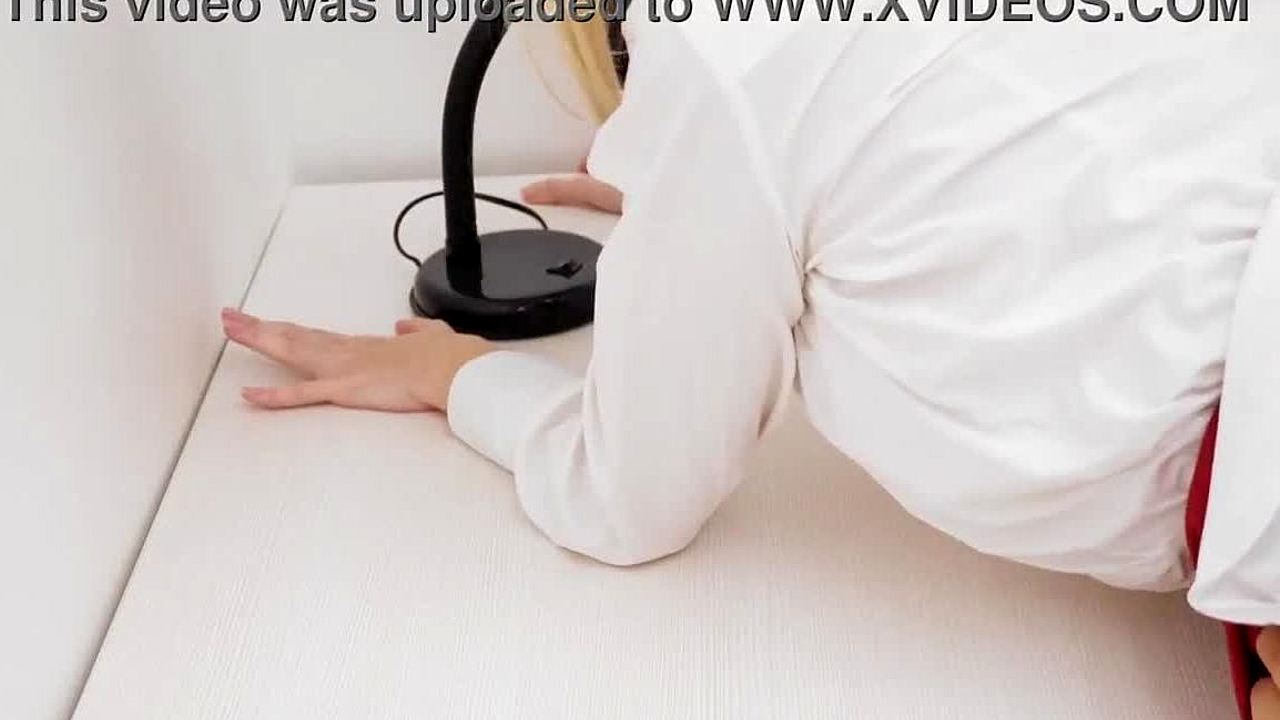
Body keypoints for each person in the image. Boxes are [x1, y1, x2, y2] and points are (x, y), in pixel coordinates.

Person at [220, 13, 1280, 719]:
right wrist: (690, 193)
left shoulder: (730, 65)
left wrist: (459, 379)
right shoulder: (746, 82)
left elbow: (624, 501)